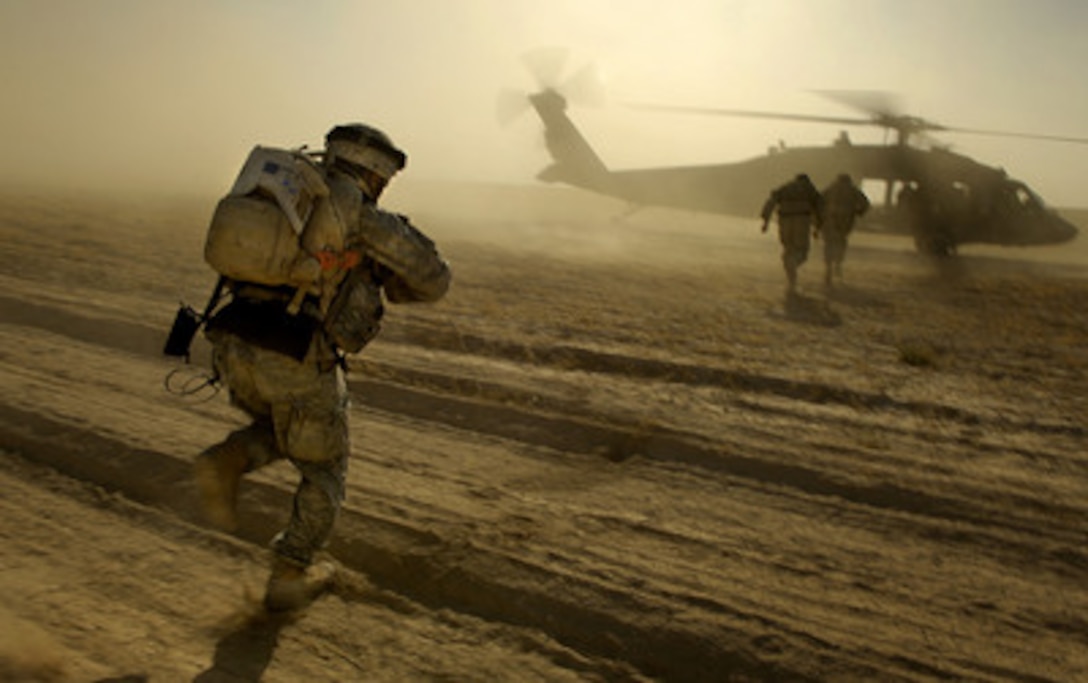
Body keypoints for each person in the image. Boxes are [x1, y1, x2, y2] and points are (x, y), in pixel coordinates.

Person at [194, 123, 451, 611]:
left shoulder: (286, 196)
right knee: (325, 470)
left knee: (284, 426)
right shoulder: (357, 212)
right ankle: (289, 574)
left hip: (231, 341)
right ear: (374, 171)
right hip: (293, 352)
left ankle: (228, 460)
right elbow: (434, 280)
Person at [760, 173, 822, 293]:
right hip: (802, 221)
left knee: (788, 249)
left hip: (784, 221)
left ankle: (791, 280)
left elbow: (771, 202)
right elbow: (819, 207)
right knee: (802, 251)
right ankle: (793, 268)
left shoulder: (785, 187)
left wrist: (765, 221)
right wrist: (818, 227)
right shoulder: (809, 189)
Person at [818, 173, 869, 286]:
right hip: (846, 221)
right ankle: (838, 263)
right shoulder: (852, 190)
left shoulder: (831, 188)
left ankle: (828, 268)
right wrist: (858, 212)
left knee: (829, 243)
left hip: (830, 220)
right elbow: (865, 203)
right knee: (841, 242)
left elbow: (819, 201)